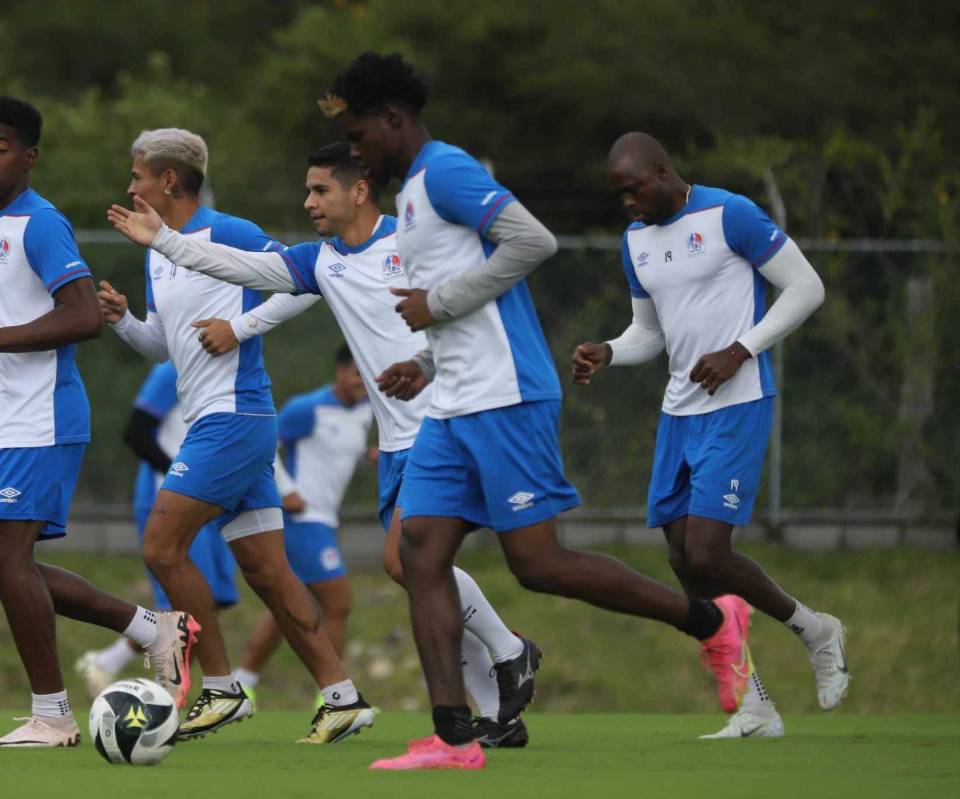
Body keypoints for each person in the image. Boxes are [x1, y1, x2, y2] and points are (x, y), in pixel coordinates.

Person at [321, 52, 766, 770]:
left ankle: (712, 620)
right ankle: (453, 737)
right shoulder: (411, 198)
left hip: (507, 396)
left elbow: (532, 240)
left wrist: (438, 303)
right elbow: (464, 302)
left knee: (540, 565)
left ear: (392, 119)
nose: (354, 151)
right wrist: (427, 358)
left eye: (359, 134)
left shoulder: (448, 171)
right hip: (453, 401)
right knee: (418, 552)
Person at [108, 141, 542, 748]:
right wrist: (151, 275)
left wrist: (240, 325)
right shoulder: (327, 259)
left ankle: (505, 654)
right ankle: (481, 708)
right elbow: (256, 279)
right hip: (395, 437)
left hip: (436, 422)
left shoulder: (410, 242)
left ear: (358, 190)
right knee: (380, 570)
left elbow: (476, 303)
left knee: (414, 563)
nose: (307, 201)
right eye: (307, 190)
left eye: (319, 191)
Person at [0, 97, 196, 748]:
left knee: (7, 559)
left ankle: (53, 715)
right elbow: (6, 324)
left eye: (0, 147)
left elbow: (80, 318)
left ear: (30, 157)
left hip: (42, 414)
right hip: (5, 419)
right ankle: (153, 630)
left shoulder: (40, 224)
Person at [97, 128, 373, 744]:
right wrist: (123, 322)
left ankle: (221, 690)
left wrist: (243, 327)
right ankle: (342, 696)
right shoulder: (155, 250)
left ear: (169, 180)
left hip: (234, 418)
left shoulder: (232, 233)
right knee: (270, 573)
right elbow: (168, 348)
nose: (130, 185)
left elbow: (311, 281)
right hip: (222, 423)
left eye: (137, 174)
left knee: (162, 548)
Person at [570, 131, 849, 737]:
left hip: (738, 402)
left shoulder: (731, 213)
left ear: (663, 170)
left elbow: (807, 288)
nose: (628, 204)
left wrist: (740, 350)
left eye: (633, 189)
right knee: (681, 557)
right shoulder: (635, 241)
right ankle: (756, 704)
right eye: (619, 196)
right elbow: (650, 332)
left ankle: (816, 629)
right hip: (679, 411)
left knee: (707, 552)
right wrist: (609, 351)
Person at [75, 361, 239, 698]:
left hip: (211, 501)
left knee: (213, 600)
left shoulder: (233, 372)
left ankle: (109, 661)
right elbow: (136, 432)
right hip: (170, 497)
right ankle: (167, 698)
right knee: (184, 606)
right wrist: (183, 477)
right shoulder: (174, 370)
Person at [233, 344, 371, 700]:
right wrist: (285, 490)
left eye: (367, 373)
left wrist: (370, 457)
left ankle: (243, 682)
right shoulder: (306, 409)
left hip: (324, 521)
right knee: (338, 603)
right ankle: (333, 695)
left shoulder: (366, 411)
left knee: (290, 603)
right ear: (340, 372)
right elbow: (260, 444)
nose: (362, 381)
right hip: (302, 520)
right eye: (357, 373)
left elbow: (336, 456)